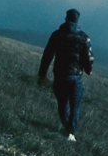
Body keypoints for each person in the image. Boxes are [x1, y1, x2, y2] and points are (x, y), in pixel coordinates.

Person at [38, 8, 94, 142]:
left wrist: (42, 75)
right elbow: (89, 57)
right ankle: (71, 132)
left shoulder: (57, 35)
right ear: (77, 20)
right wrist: (88, 70)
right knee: (75, 105)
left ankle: (66, 128)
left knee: (62, 104)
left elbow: (47, 55)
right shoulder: (84, 38)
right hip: (75, 77)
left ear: (66, 19)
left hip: (59, 76)